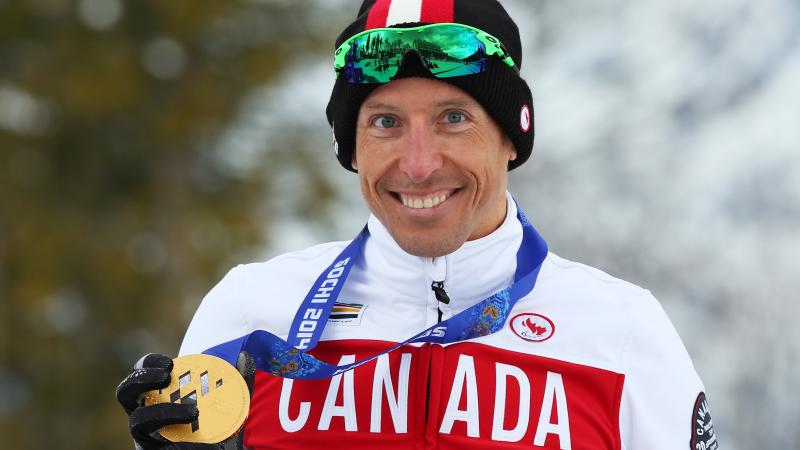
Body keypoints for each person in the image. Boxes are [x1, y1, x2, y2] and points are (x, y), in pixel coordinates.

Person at [117, 1, 718, 449]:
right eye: (385, 123)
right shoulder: (251, 315)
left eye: (453, 117)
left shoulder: (622, 333)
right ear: (350, 145)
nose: (420, 164)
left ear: (511, 136)